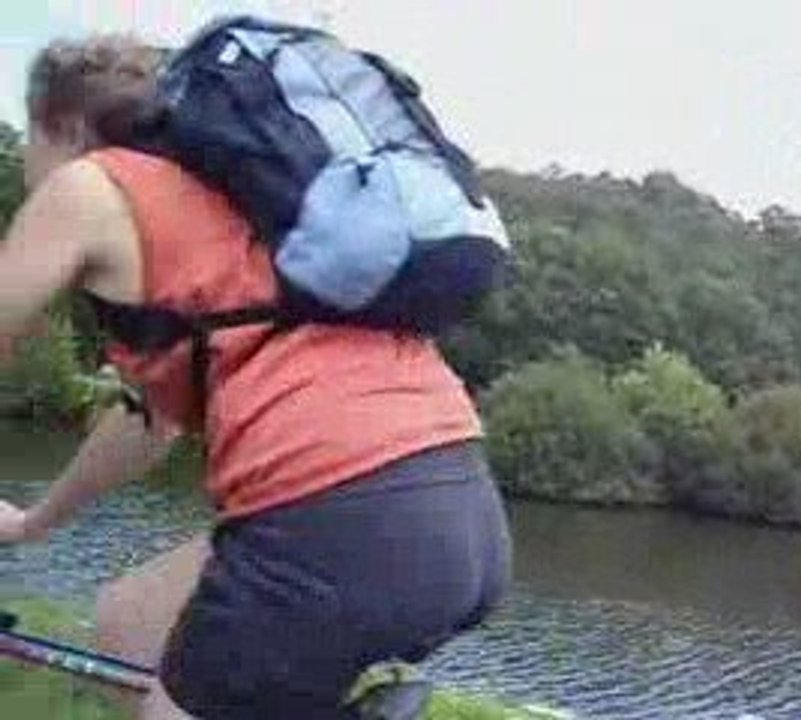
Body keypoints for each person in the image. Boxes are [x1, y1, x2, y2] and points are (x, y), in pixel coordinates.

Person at [0, 33, 511, 720]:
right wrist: (35, 522)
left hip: (337, 518)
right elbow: (146, 426)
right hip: (458, 511)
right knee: (131, 623)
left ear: (56, 126)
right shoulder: (246, 216)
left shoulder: (89, 188)